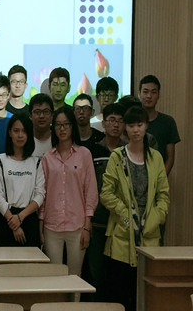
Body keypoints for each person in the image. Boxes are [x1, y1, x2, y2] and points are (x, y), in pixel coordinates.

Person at [101, 106, 169, 311]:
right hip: (122, 236)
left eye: (140, 125)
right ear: (126, 129)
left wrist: (154, 220)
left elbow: (163, 196)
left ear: (146, 126)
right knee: (122, 295)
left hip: (149, 235)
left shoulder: (156, 157)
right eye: (131, 125)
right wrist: (126, 217)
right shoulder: (117, 156)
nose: (136, 130)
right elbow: (106, 194)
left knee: (148, 296)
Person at [40, 108, 98, 276]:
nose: (62, 129)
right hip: (52, 225)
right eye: (58, 125)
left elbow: (91, 192)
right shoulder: (47, 158)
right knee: (54, 275)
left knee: (75, 275)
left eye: (66, 124)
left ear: (73, 126)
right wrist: (40, 225)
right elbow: (42, 193)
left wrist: (87, 226)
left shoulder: (84, 154)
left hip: (78, 225)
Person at [81, 103, 126, 302]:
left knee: (118, 275)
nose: (116, 125)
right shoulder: (91, 150)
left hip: (121, 224)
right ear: (103, 123)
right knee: (95, 274)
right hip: (97, 222)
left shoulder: (128, 151)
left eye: (120, 121)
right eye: (112, 120)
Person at [0, 114, 45, 247]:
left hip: (28, 219)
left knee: (29, 261)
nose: (20, 135)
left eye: (24, 131)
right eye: (16, 131)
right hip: (5, 219)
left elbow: (40, 194)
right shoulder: (0, 160)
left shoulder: (36, 162)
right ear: (10, 132)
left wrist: (20, 217)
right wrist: (13, 221)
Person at [139, 75, 179, 175]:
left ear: (158, 95)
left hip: (159, 177)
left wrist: (160, 180)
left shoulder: (168, 122)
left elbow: (170, 158)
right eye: (145, 92)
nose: (149, 96)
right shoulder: (132, 122)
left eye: (153, 92)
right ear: (139, 94)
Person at [29, 93, 54, 159]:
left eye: (46, 111)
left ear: (52, 115)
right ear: (30, 116)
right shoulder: (24, 140)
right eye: (37, 112)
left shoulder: (59, 140)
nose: (41, 116)